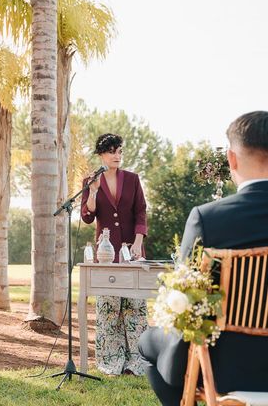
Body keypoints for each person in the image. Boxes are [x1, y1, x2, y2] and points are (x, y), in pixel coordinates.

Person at [138, 111, 268, 405]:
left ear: (232, 160)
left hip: (226, 369)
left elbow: (182, 294)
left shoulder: (208, 218)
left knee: (149, 343)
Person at [81, 133, 149, 376]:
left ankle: (137, 363)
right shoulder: (91, 180)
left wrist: (138, 241)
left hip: (133, 249)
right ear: (101, 154)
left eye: (119, 151)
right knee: (109, 306)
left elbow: (141, 211)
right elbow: (87, 216)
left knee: (135, 306)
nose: (117, 156)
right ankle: (111, 362)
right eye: (112, 151)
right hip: (106, 251)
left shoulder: (132, 179)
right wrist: (92, 192)